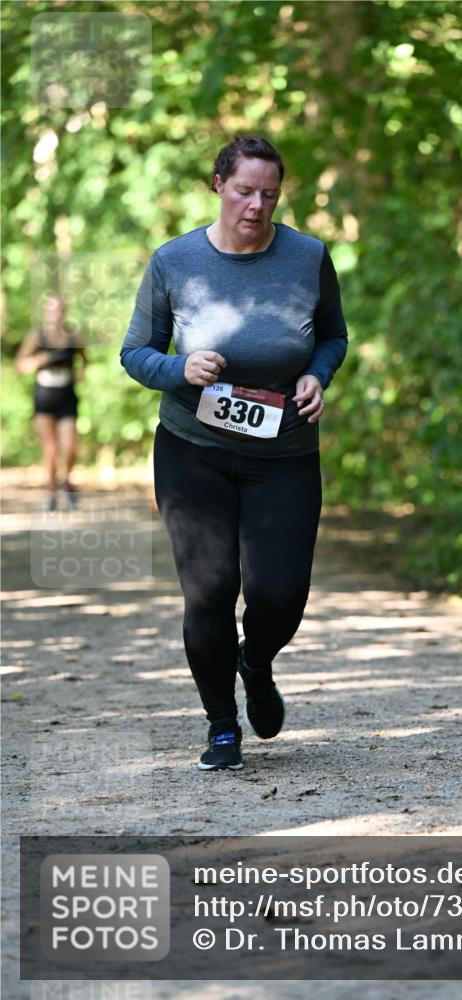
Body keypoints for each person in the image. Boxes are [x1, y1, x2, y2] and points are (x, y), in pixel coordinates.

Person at [120, 135, 348, 772]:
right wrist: (180, 368)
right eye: (245, 191)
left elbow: (333, 336)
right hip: (194, 450)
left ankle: (257, 660)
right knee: (210, 590)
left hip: (284, 452)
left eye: (269, 194)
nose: (256, 206)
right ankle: (222, 725)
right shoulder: (175, 261)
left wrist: (317, 376)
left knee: (280, 593)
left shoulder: (308, 257)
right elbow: (135, 353)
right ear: (218, 184)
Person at [16, 293, 86, 512]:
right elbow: (21, 364)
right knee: (51, 450)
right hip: (44, 399)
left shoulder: (74, 336)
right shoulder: (37, 336)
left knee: (70, 447)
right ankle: (52, 493)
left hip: (67, 398)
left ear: (64, 311)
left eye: (58, 308)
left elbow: (85, 360)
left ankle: (67, 481)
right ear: (45, 312)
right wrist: (40, 360)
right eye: (50, 308)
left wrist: (80, 374)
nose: (54, 313)